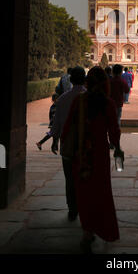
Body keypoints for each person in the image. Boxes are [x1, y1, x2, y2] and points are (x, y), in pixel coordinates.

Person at [61, 66, 123, 253]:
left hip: (81, 153)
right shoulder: (108, 103)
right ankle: (101, 227)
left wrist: (64, 145)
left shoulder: (80, 102)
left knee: (84, 192)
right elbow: (114, 132)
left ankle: (87, 231)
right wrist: (118, 149)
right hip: (100, 154)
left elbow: (67, 127)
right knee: (101, 191)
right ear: (105, 83)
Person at [50, 66, 86, 221]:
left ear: (70, 80)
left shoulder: (63, 99)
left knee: (70, 179)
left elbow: (56, 124)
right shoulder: (90, 97)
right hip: (87, 146)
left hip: (68, 145)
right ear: (84, 79)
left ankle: (72, 209)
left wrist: (54, 141)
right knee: (86, 178)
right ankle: (86, 209)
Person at [110, 64, 129, 128]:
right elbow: (127, 90)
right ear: (121, 72)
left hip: (110, 103)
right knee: (117, 119)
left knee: (110, 119)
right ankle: (116, 133)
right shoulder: (122, 81)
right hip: (118, 103)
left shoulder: (109, 81)